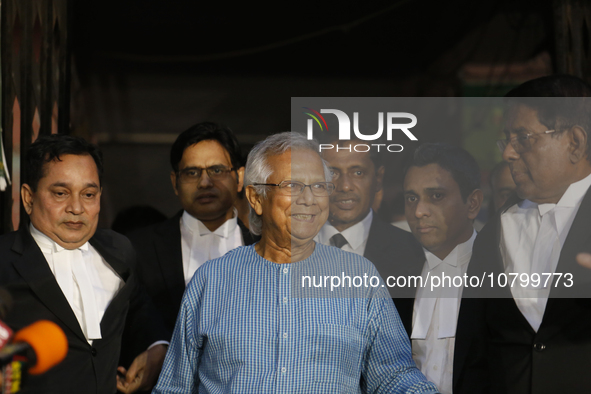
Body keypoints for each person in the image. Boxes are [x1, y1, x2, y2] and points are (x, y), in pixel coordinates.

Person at [152, 132, 440, 393]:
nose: (309, 199)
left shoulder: (359, 277)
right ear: (256, 197)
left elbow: (393, 375)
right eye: (292, 185)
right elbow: (174, 387)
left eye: (319, 186)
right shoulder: (212, 280)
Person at [455, 75, 591, 394]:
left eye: (524, 138)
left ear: (575, 142)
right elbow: (475, 350)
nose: (509, 154)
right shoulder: (495, 232)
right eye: (508, 139)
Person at [0, 134, 168, 394]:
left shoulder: (120, 251)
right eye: (60, 193)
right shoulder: (3, 261)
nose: (77, 207)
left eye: (88, 194)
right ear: (28, 198)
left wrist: (157, 347)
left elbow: (138, 307)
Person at [127, 122, 259, 332]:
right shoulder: (138, 249)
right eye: (192, 172)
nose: (205, 182)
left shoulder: (270, 248)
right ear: (175, 182)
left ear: (240, 177)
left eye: (217, 170)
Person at [402, 143, 482, 394]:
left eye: (436, 196)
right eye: (411, 198)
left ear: (473, 203)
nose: (419, 211)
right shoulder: (396, 270)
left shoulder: (501, 268)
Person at [315, 137, 425, 308]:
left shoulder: (415, 253)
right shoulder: (286, 247)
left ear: (378, 178)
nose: (345, 186)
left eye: (357, 172)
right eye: (332, 173)